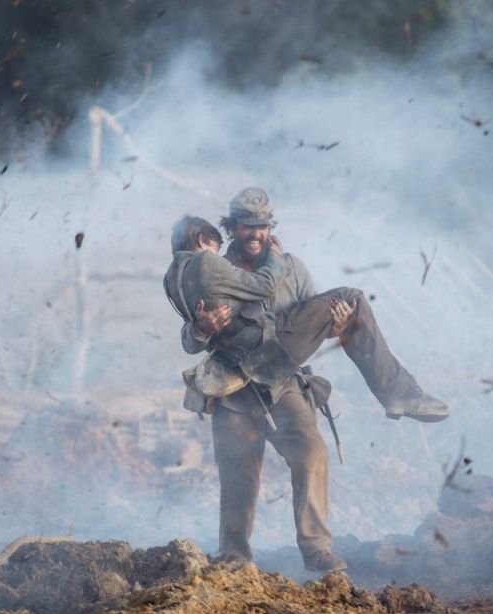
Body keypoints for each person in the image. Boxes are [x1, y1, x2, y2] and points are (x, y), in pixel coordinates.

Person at [165, 188, 448, 572]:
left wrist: (340, 321)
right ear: (231, 228)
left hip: (283, 382)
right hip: (233, 387)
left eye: (262, 226)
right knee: (238, 475)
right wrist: (199, 328)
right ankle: (234, 556)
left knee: (313, 454)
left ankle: (316, 551)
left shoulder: (292, 268)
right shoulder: (211, 265)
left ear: (270, 229)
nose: (255, 234)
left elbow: (313, 326)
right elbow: (187, 337)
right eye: (247, 226)